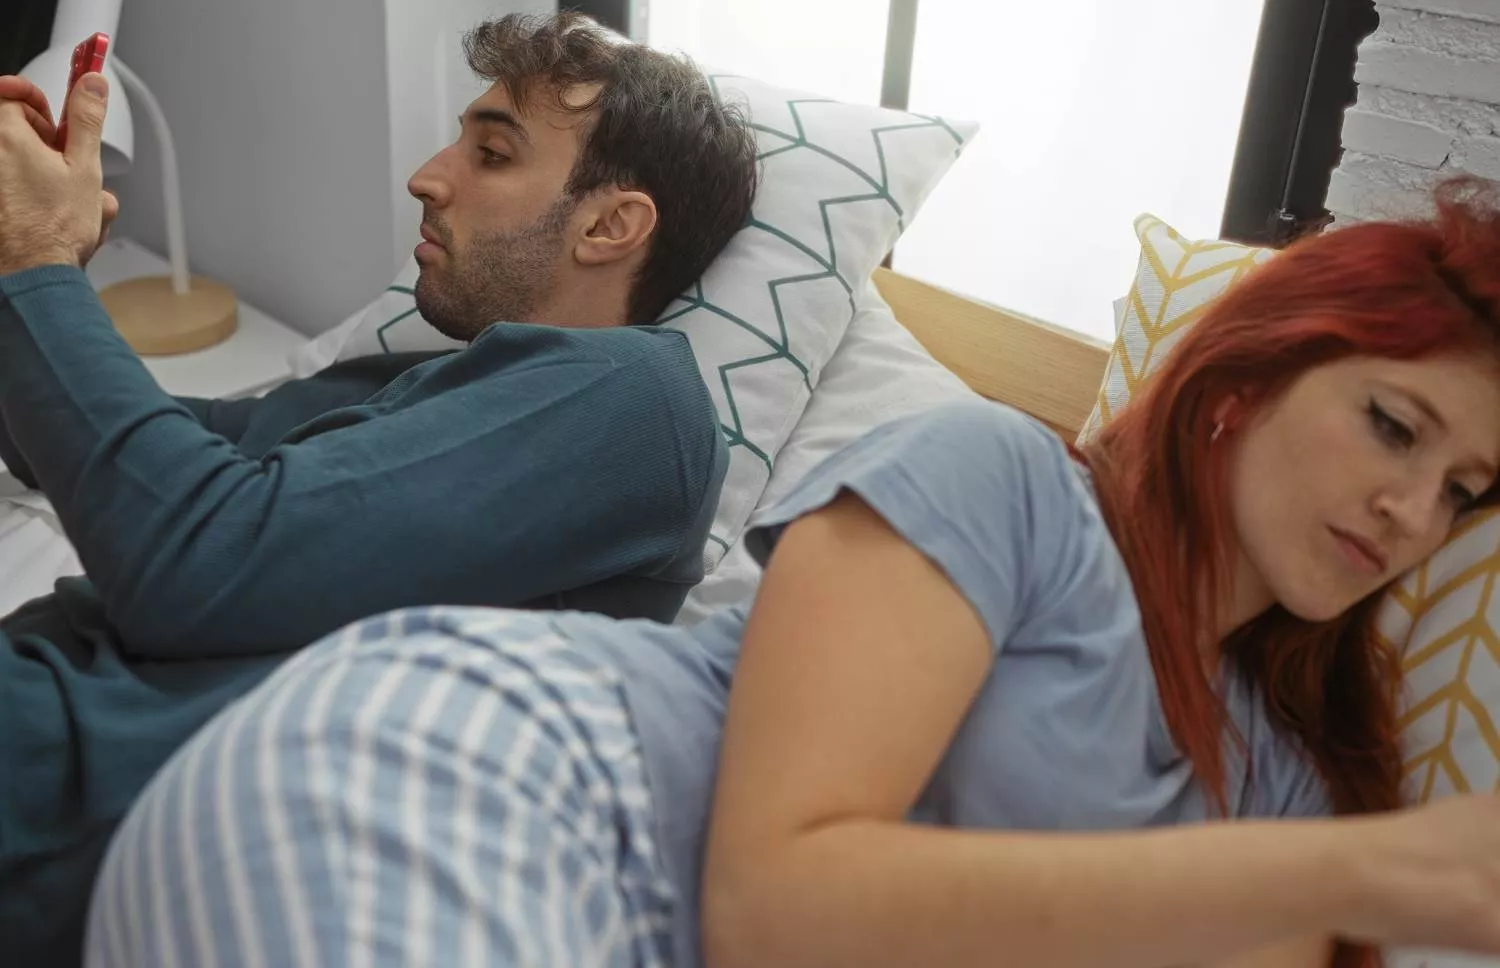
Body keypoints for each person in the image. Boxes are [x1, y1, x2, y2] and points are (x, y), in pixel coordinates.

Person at [88, 179, 1500, 968]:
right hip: (498, 785)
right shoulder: (1005, 485)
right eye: (1394, 423)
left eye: (1466, 493)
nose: (1413, 508)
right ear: (1242, 384)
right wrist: (1370, 870)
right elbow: (779, 909)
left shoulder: (1281, 783)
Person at [0, 12, 758, 962]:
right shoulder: (393, 381)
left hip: (77, 791)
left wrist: (33, 269)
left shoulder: (640, 401)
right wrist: (38, 269)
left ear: (610, 224)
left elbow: (194, 560)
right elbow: (122, 465)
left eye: (490, 153)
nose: (427, 177)